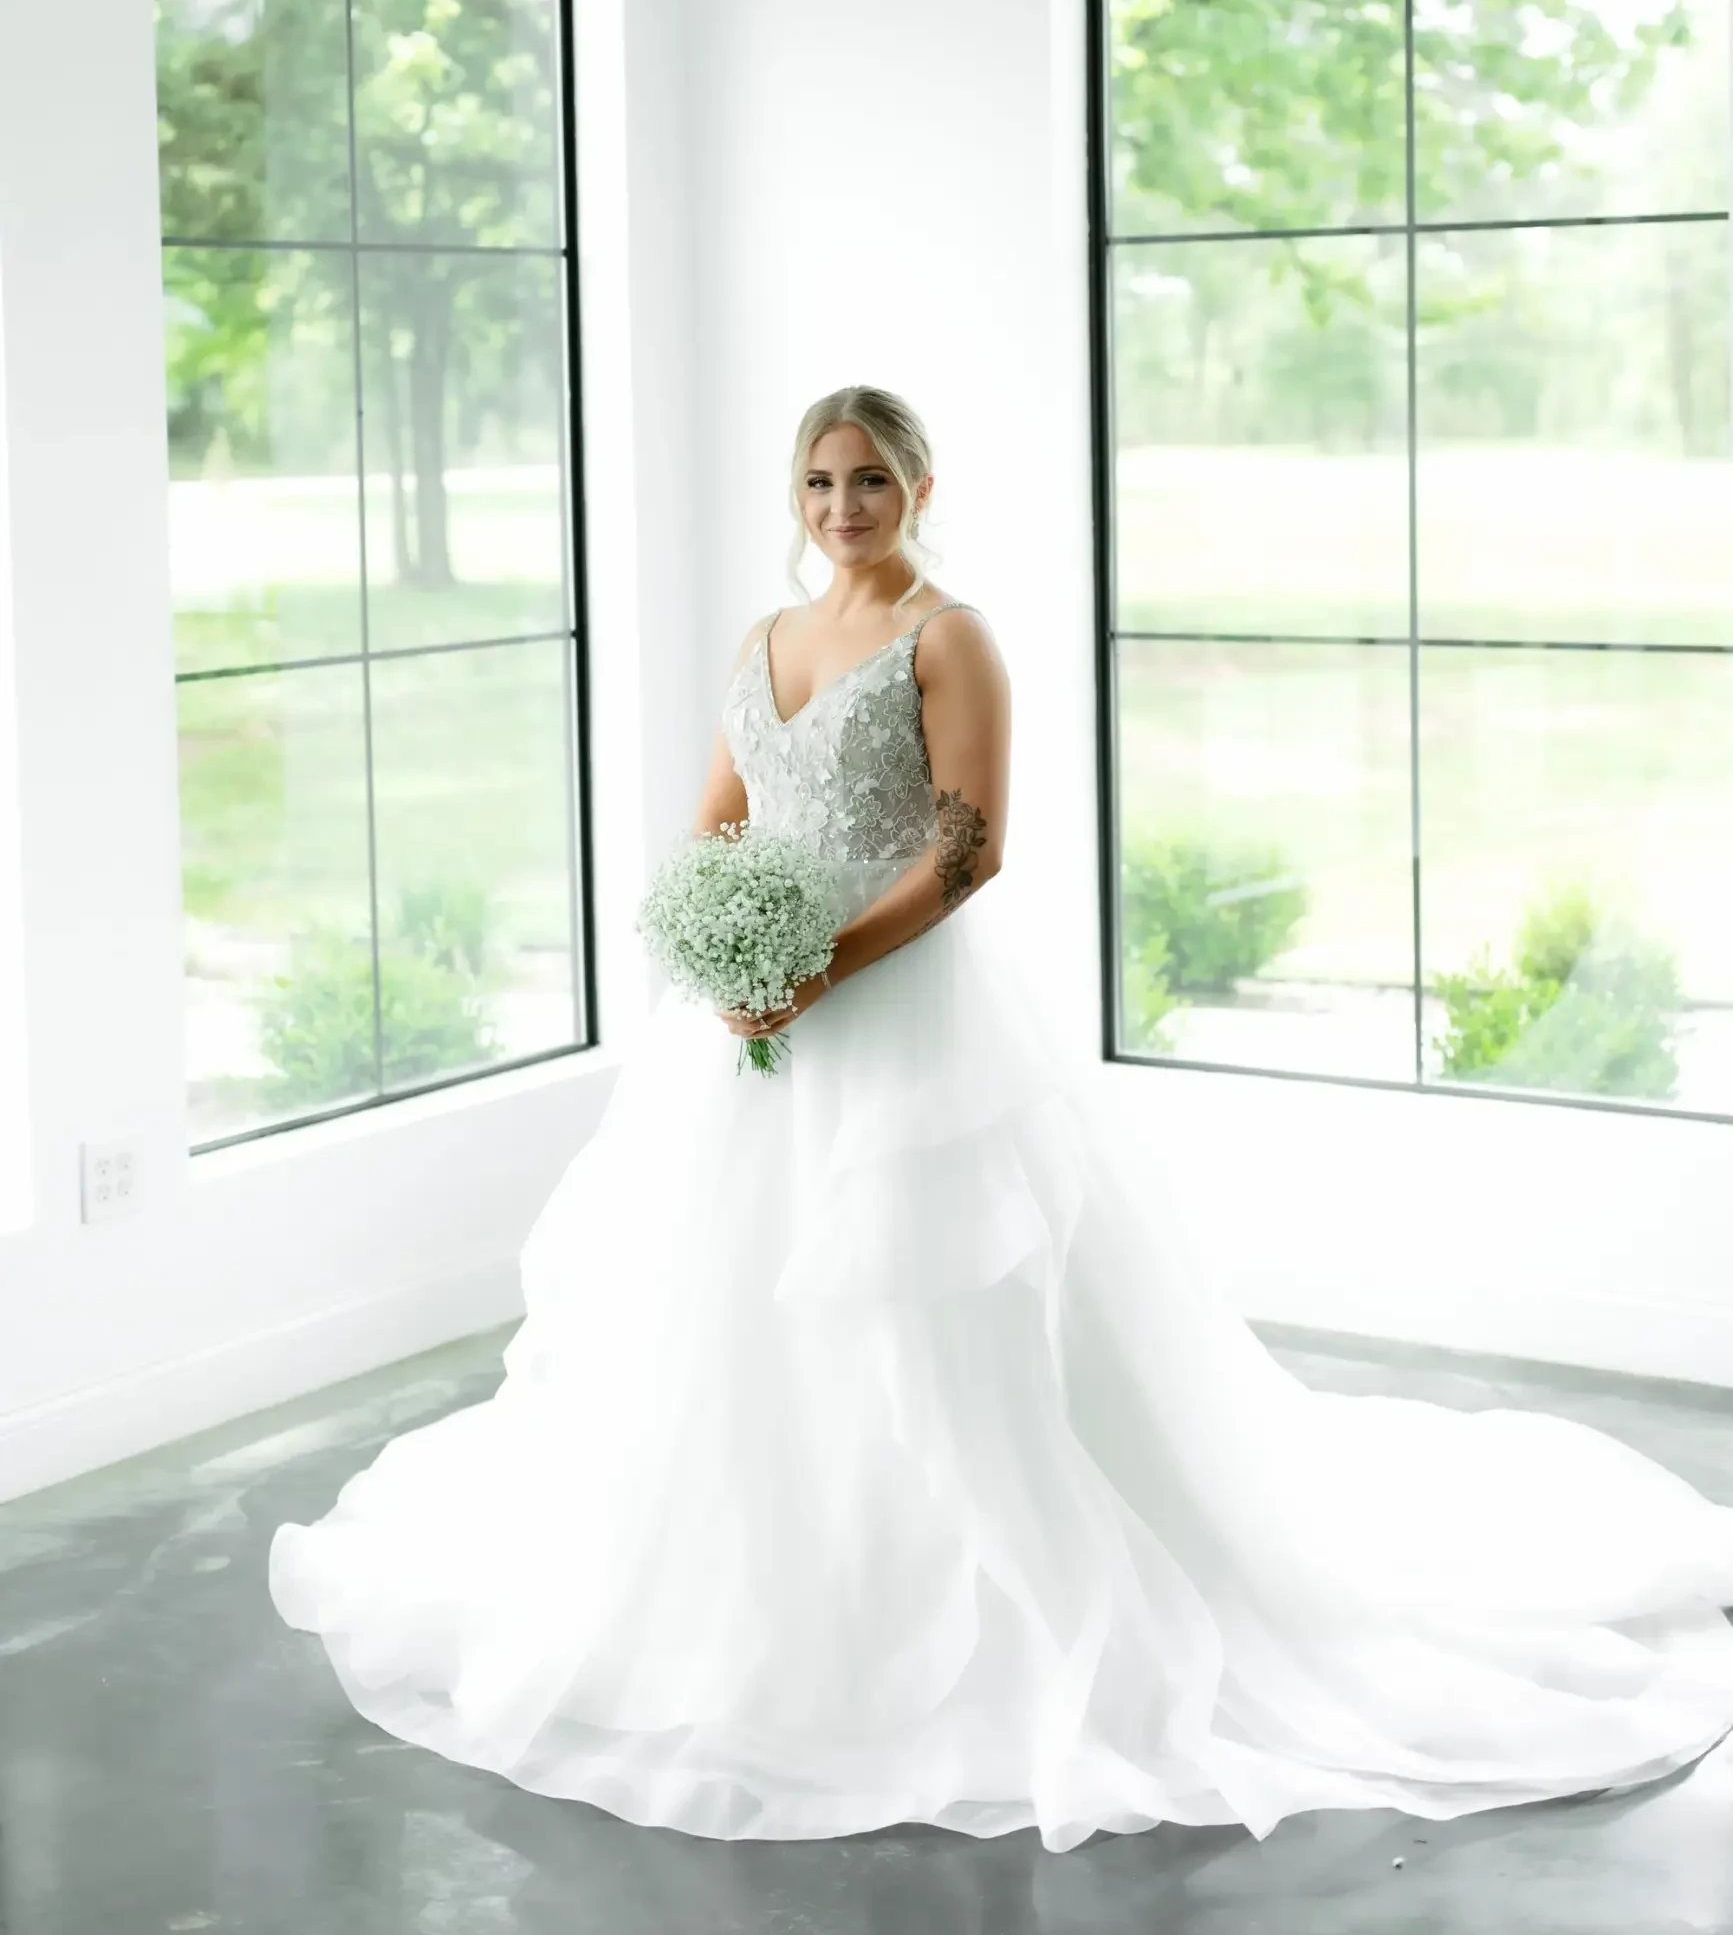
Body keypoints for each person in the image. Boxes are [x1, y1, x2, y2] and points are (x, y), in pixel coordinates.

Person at [269, 384, 1733, 1854]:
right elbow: (722, 817)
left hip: (899, 1021)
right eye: (823, 482)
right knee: (724, 1320)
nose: (845, 506)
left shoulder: (947, 637)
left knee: (927, 1317)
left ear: (917, 486)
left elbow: (972, 850)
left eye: (872, 481)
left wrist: (819, 965)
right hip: (747, 1037)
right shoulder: (763, 642)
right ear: (799, 494)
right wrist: (727, 955)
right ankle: (772, 1609)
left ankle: (958, 1619)